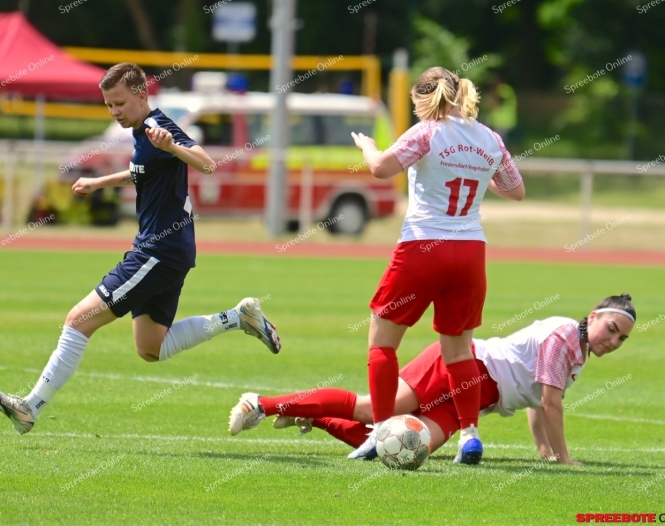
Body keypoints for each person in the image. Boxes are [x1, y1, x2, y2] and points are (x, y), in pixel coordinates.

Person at [0, 63, 281, 434]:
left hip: (159, 250)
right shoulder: (142, 132)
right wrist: (100, 182)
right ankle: (239, 317)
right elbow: (144, 171)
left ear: (142, 97)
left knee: (78, 319)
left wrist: (172, 144)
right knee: (151, 347)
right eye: (109, 105)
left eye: (120, 104)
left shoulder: (159, 128)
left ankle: (30, 406)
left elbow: (208, 164)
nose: (114, 112)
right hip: (169, 248)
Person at [347, 66, 525, 464]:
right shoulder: (490, 137)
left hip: (425, 246)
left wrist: (367, 147)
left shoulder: (427, 131)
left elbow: (381, 169)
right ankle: (470, 435)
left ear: (424, 99)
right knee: (459, 350)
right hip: (471, 251)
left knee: (382, 341)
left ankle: (380, 431)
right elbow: (516, 191)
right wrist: (477, 176)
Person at [229, 294, 637, 466]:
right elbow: (550, 403)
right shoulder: (565, 335)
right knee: (372, 408)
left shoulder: (579, 352)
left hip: (473, 401)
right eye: (612, 328)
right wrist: (565, 460)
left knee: (405, 447)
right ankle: (262, 404)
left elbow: (536, 403)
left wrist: (546, 453)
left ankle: (314, 418)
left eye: (622, 337)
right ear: (594, 315)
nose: (615, 340)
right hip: (463, 367)